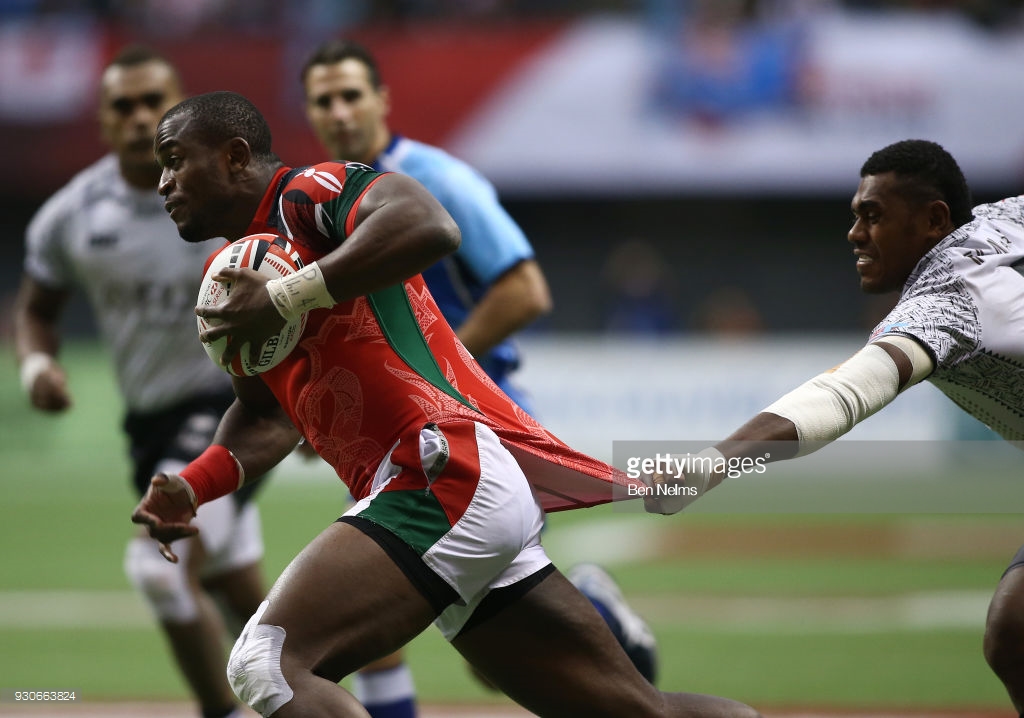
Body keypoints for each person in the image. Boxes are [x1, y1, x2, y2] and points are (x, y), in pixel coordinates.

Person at [132, 90, 760, 718]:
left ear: (236, 156)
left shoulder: (309, 193)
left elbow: (428, 224)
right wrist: (194, 484)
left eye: (174, 160)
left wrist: (289, 296)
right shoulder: (230, 269)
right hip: (449, 485)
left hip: (439, 468)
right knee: (638, 713)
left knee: (267, 661)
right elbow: (268, 415)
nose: (162, 182)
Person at [299, 38, 658, 709]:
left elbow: (525, 290)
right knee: (447, 641)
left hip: (479, 435)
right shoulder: (327, 200)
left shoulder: (438, 181)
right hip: (405, 438)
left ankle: (612, 634)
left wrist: (428, 372)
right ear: (309, 112)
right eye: (325, 100)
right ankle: (608, 633)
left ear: (383, 100)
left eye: (353, 94)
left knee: (461, 636)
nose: (341, 111)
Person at [641, 138, 1024, 715]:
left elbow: (844, 395)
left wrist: (713, 464)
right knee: (1015, 632)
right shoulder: (1002, 219)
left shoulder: (947, 301)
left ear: (934, 220)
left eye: (873, 216)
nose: (854, 233)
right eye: (854, 215)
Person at [13, 48, 266, 718]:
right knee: (244, 599)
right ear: (102, 118)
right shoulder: (73, 215)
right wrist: (38, 364)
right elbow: (37, 306)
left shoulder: (228, 193)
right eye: (123, 105)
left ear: (179, 108)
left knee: (154, 564)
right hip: (148, 424)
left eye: (153, 101)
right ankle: (362, 699)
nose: (139, 116)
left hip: (229, 406)